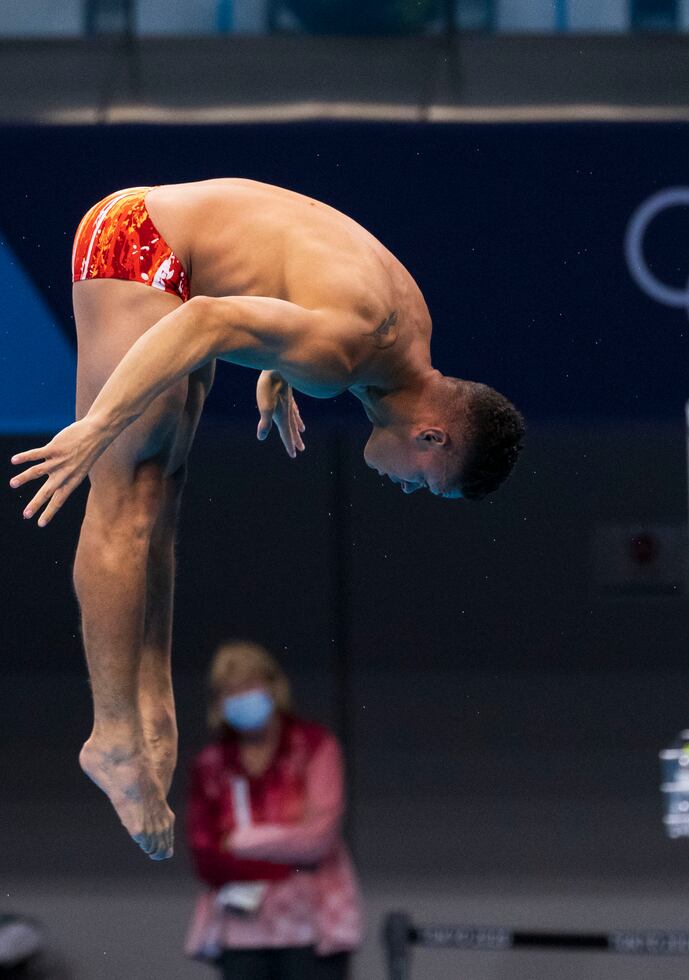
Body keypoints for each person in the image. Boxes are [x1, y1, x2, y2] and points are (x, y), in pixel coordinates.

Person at [8, 180, 524, 860]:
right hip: (140, 242)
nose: (403, 488)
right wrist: (100, 423)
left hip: (183, 260)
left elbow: (310, 268)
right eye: (422, 485)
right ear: (431, 438)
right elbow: (210, 322)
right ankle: (110, 735)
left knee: (163, 486)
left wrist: (278, 366)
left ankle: (152, 701)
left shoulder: (409, 335)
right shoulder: (340, 357)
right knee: (126, 494)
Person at [186, 640, 361, 980]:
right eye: (229, 691)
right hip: (241, 928)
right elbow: (205, 856)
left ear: (273, 687)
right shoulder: (211, 764)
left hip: (311, 926)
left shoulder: (313, 746)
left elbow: (318, 840)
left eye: (248, 686)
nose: (239, 697)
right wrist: (288, 858)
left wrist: (239, 842)